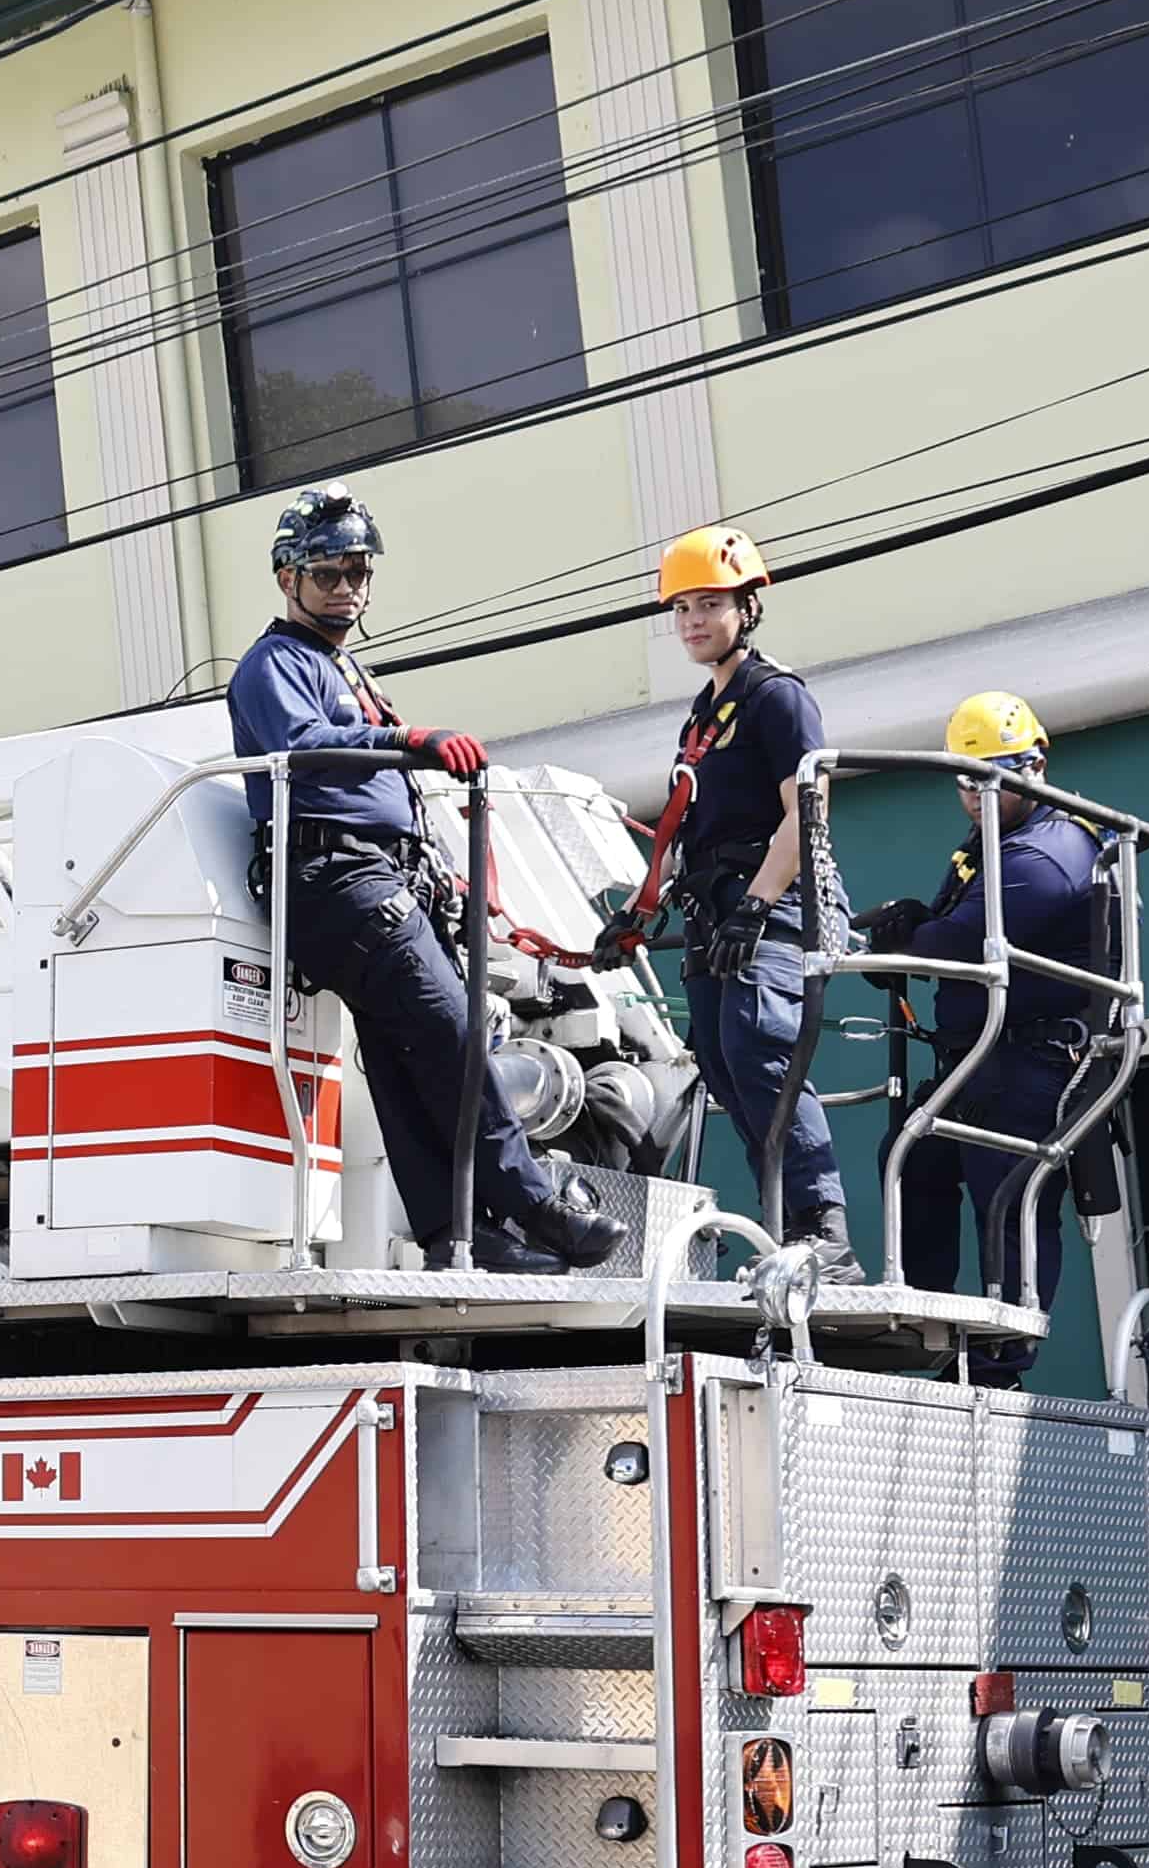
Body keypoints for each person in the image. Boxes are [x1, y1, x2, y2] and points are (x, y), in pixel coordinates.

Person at [223, 485, 621, 1275]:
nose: (344, 586)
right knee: (454, 1033)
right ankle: (531, 1199)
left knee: (405, 1056)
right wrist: (409, 738)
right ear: (286, 578)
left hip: (372, 876)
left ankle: (457, 1235)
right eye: (326, 572)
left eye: (356, 570)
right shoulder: (275, 665)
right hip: (335, 877)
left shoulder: (340, 665)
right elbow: (307, 744)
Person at [597, 527, 860, 1279]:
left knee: (762, 1050)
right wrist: (639, 915)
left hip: (771, 905)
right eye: (681, 610)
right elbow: (687, 826)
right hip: (717, 908)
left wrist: (756, 904)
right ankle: (787, 1226)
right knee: (719, 1057)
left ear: (748, 607)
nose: (693, 623)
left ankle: (825, 1230)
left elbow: (806, 814)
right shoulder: (703, 715)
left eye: (709, 605)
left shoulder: (776, 698)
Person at [860, 694, 1120, 1385]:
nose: (975, 795)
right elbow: (949, 920)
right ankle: (927, 1324)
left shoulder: (1052, 851)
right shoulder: (993, 846)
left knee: (1008, 1199)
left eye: (991, 777)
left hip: (1028, 1063)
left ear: (1033, 766)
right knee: (913, 1161)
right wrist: (912, 926)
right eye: (966, 781)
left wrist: (910, 938)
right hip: (976, 1059)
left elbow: (962, 936)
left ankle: (1003, 1355)